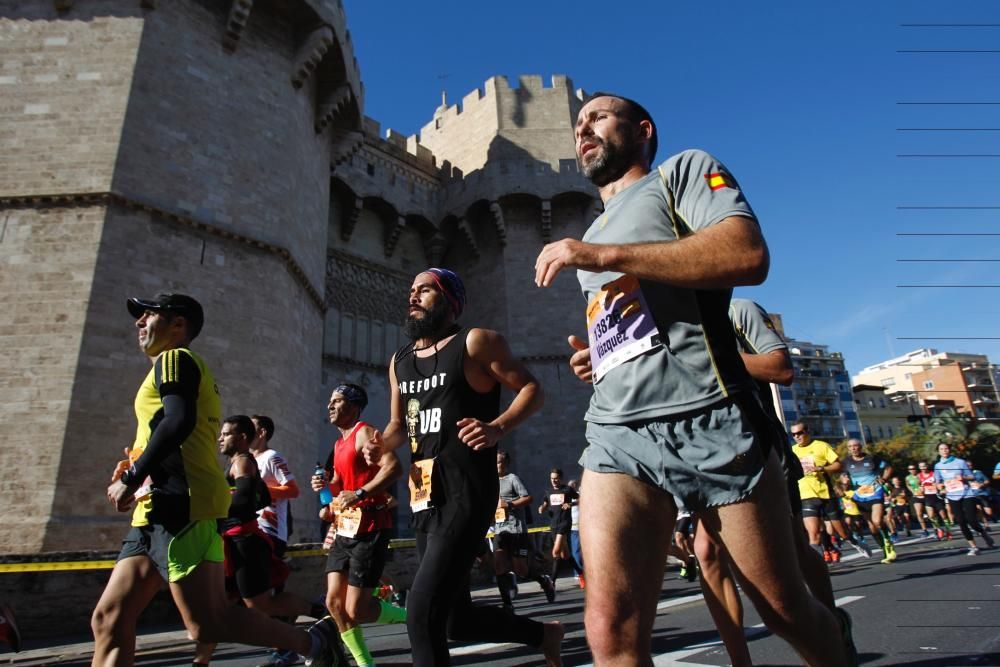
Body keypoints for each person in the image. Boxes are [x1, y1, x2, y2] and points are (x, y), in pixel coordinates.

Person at [534, 92, 850, 665]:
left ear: (642, 130)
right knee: (609, 629)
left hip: (710, 416)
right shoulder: (597, 229)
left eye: (598, 117)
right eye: (578, 124)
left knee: (784, 612)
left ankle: (836, 646)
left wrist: (603, 256)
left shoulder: (682, 173)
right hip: (617, 431)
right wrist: (600, 360)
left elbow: (746, 253)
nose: (583, 129)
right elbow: (639, 323)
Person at [91, 293, 337, 667]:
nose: (139, 322)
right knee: (109, 619)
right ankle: (315, 641)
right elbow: (168, 433)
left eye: (150, 315)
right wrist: (135, 468)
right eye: (138, 317)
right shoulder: (169, 367)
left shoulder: (176, 359)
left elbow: (178, 421)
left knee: (208, 624)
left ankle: (315, 643)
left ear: (178, 325)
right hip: (153, 511)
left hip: (181, 507)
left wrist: (132, 476)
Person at [363, 268, 563, 666]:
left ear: (450, 300)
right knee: (456, 620)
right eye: (412, 290)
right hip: (424, 498)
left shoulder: (474, 343)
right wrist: (381, 443)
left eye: (425, 290)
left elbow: (532, 389)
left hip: (467, 491)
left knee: (420, 610)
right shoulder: (399, 361)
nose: (414, 296)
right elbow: (401, 426)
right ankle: (542, 635)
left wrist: (497, 427)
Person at [690, 299, 850, 667]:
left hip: (756, 440)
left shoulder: (738, 309)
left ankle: (831, 629)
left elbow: (780, 369)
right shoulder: (666, 322)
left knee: (793, 547)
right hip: (700, 447)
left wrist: (710, 354)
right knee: (707, 552)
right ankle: (739, 662)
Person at [193, 416, 331, 667]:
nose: (219, 439)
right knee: (220, 605)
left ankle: (319, 616)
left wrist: (212, 508)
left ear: (244, 437)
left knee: (262, 604)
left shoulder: (248, 461)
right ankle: (200, 662)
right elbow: (261, 496)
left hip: (249, 540)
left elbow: (255, 497)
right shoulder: (242, 462)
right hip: (234, 541)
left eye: (225, 434)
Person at [312, 383, 406, 667]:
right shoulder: (338, 443)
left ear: (353, 407)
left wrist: (362, 493)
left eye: (337, 401)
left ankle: (415, 616)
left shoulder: (364, 432)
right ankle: (365, 664)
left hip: (371, 527)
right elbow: (341, 487)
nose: (330, 406)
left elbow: (394, 468)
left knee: (357, 609)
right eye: (330, 400)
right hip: (344, 529)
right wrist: (326, 495)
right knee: (334, 604)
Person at [249, 414, 302, 667]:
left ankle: (287, 646)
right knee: (258, 597)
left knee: (266, 596)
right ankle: (286, 644)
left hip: (270, 533)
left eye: (251, 428)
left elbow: (292, 489)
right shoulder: (248, 461)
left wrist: (259, 490)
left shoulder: (273, 458)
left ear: (262, 433)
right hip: (252, 532)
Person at [493, 451, 556, 610]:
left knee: (521, 570)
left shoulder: (513, 479)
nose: (496, 465)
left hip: (516, 530)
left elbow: (528, 498)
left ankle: (544, 581)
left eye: (499, 462)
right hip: (500, 530)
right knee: (499, 566)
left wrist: (510, 505)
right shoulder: (491, 482)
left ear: (506, 464)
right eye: (495, 462)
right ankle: (507, 604)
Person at [933, 443, 995, 555]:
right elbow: (937, 481)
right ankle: (974, 546)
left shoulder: (960, 462)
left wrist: (963, 478)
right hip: (952, 495)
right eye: (941, 449)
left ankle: (983, 533)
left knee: (972, 520)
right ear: (938, 452)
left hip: (966, 493)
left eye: (946, 448)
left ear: (950, 450)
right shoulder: (938, 466)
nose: (944, 451)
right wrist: (940, 486)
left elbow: (971, 476)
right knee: (961, 521)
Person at [843, 439, 897, 564]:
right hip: (860, 497)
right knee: (872, 527)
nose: (853, 448)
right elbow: (843, 477)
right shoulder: (846, 462)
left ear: (860, 447)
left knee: (877, 521)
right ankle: (883, 548)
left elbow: (888, 468)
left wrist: (884, 478)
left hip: (876, 492)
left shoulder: (872, 459)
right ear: (848, 449)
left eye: (855, 446)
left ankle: (888, 543)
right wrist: (845, 483)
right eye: (850, 446)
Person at [538, 468, 582, 590]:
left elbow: (580, 499)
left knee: (555, 551)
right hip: (554, 524)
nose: (554, 481)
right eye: (552, 478)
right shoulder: (548, 491)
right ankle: (581, 574)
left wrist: (571, 504)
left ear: (561, 478)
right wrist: (542, 508)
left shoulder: (567, 490)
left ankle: (552, 581)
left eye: (556, 478)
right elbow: (545, 504)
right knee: (565, 555)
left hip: (565, 523)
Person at [918, 460, 951, 540]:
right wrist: (921, 489)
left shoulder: (933, 474)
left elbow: (941, 483)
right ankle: (939, 529)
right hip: (928, 497)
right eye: (921, 467)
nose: (923, 468)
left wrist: (940, 487)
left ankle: (948, 531)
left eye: (924, 466)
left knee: (943, 516)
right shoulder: (919, 476)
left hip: (937, 496)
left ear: (927, 466)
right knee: (931, 516)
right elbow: (919, 485)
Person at [905, 464, 931, 537]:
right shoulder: (908, 477)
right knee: (919, 513)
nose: (912, 470)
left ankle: (936, 528)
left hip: (925, 495)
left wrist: (923, 488)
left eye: (913, 468)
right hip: (916, 496)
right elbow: (908, 485)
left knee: (931, 514)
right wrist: (912, 490)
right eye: (910, 469)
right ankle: (925, 530)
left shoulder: (920, 475)